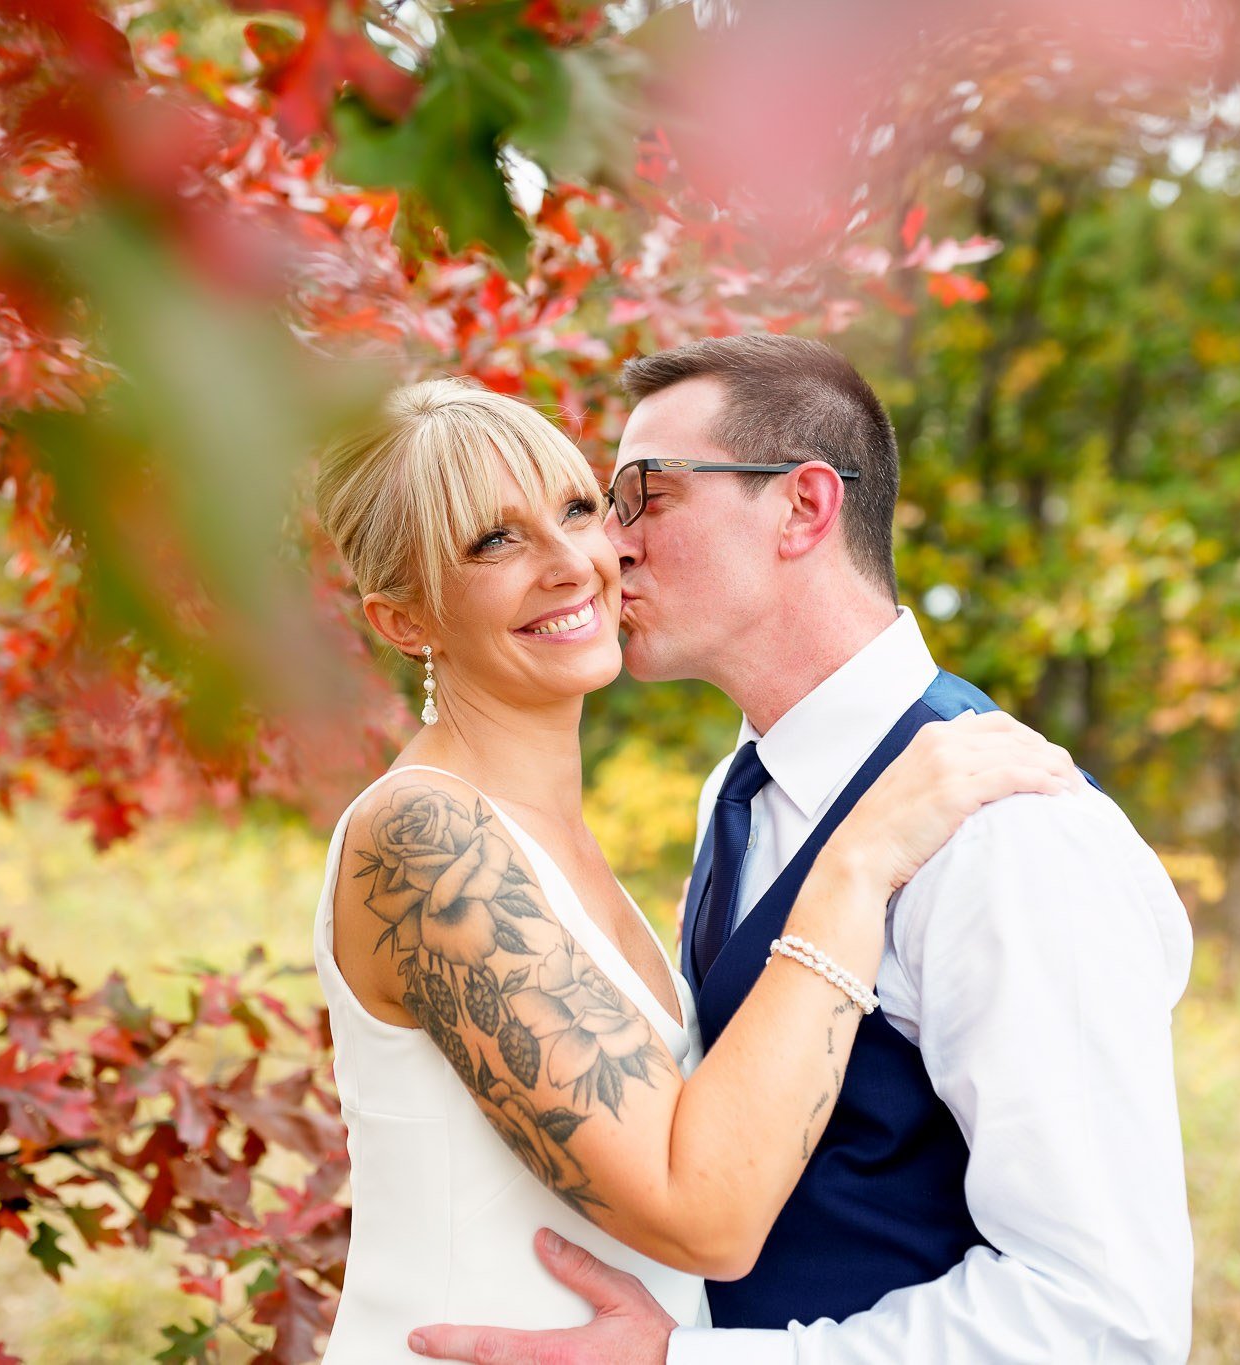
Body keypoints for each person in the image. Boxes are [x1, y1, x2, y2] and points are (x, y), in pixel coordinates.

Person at [409, 335, 1196, 1364]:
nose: (608, 544)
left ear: (802, 508)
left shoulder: (1007, 838)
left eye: (643, 493)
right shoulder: (737, 794)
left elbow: (1100, 1322)